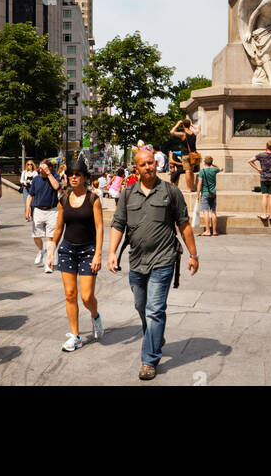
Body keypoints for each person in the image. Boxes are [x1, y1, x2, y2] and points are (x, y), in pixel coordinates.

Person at [108, 148, 198, 381]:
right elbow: (118, 224)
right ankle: (155, 337)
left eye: (151, 163)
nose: (148, 167)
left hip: (164, 259)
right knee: (141, 306)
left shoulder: (170, 191)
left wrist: (193, 255)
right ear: (135, 168)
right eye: (143, 164)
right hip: (137, 261)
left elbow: (184, 224)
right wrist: (110, 253)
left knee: (155, 310)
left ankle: (149, 359)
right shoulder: (128, 194)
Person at [52, 159, 104, 352]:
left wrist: (98, 254)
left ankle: (95, 315)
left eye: (77, 174)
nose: (73, 177)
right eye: (71, 174)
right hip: (67, 250)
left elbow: (99, 228)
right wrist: (51, 248)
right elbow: (58, 227)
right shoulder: (64, 199)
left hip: (88, 250)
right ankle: (75, 335)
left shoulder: (93, 199)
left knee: (86, 296)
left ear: (84, 178)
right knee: (70, 294)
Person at [25, 158, 61, 272]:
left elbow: (56, 187)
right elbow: (30, 195)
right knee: (36, 236)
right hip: (38, 211)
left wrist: (49, 173)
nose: (40, 170)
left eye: (43, 168)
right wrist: (27, 210)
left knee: (50, 238)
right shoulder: (36, 179)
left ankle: (48, 264)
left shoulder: (54, 176)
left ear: (49, 168)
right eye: (39, 168)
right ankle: (41, 250)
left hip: (52, 211)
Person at [248, 140, 271, 221]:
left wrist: (258, 168)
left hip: (263, 177)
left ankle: (264, 214)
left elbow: (250, 161)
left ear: (266, 147)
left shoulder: (261, 155)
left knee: (264, 196)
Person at [170, 117, 200, 194]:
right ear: (189, 125)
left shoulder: (183, 134)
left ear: (183, 125)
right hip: (193, 155)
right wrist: (192, 125)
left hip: (186, 155)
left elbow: (172, 132)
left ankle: (188, 188)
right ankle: (193, 187)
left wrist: (177, 124)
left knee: (187, 171)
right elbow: (199, 129)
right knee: (191, 171)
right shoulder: (194, 133)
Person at [196, 156, 222, 236]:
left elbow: (199, 183)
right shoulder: (214, 170)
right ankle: (214, 231)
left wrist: (197, 194)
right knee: (213, 212)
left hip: (205, 193)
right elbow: (221, 168)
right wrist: (213, 164)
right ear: (211, 162)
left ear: (204, 162)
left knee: (206, 212)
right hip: (213, 193)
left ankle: (207, 230)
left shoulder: (202, 171)